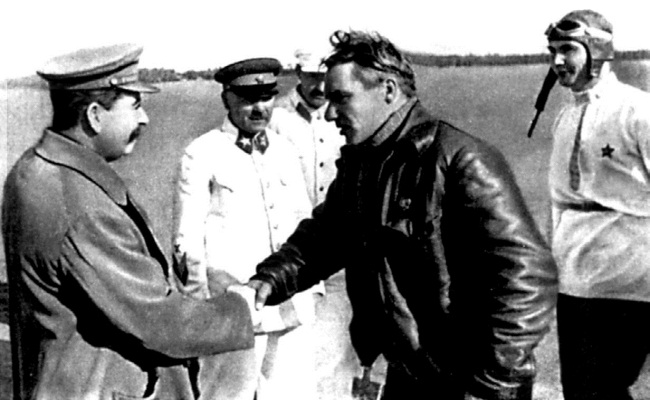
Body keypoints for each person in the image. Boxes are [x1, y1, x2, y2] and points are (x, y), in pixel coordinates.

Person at [248, 30, 558, 400]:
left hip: (470, 380)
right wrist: (269, 280)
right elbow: (325, 238)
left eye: (341, 98)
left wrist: (490, 383)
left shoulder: (461, 159)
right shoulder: (362, 165)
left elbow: (528, 279)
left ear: (389, 90)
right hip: (409, 371)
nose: (329, 114)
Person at [1, 43, 259, 400]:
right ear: (94, 115)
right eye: (135, 105)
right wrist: (242, 307)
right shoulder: (78, 203)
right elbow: (159, 321)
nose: (144, 119)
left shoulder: (34, 170)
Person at [173, 57, 318, 400]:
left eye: (267, 97)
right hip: (232, 311)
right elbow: (186, 240)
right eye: (248, 99)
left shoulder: (285, 150)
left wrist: (313, 291)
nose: (259, 108)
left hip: (291, 306)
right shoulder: (202, 153)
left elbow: (305, 224)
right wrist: (201, 310)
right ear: (227, 99)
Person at [544, 10, 650, 400]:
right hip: (574, 280)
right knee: (580, 391)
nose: (558, 61)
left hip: (630, 279)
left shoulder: (638, 110)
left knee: (603, 388)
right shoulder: (564, 118)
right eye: (553, 51)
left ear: (597, 50)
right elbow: (558, 202)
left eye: (568, 50)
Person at [269, 48, 355, 399]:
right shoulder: (276, 119)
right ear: (298, 74)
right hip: (295, 256)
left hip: (340, 256)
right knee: (290, 354)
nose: (319, 86)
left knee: (337, 351)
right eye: (311, 77)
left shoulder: (345, 117)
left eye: (325, 77)